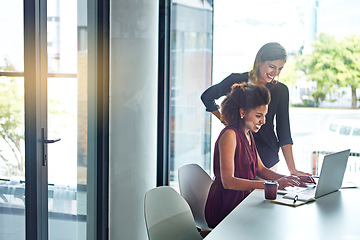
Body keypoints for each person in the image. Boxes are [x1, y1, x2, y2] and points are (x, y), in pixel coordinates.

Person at [204, 83, 314, 228]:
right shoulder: (230, 135)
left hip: (242, 201)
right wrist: (273, 185)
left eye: (265, 116)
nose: (263, 121)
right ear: (242, 112)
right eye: (258, 116)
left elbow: (260, 169)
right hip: (225, 207)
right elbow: (228, 182)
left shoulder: (248, 135)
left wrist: (290, 179)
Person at [201, 42, 310, 176]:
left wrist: (292, 170)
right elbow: (207, 97)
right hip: (239, 155)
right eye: (271, 66)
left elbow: (284, 132)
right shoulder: (237, 81)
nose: (275, 73)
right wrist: (226, 120)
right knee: (239, 195)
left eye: (280, 68)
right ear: (259, 61)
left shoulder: (280, 90)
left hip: (267, 158)